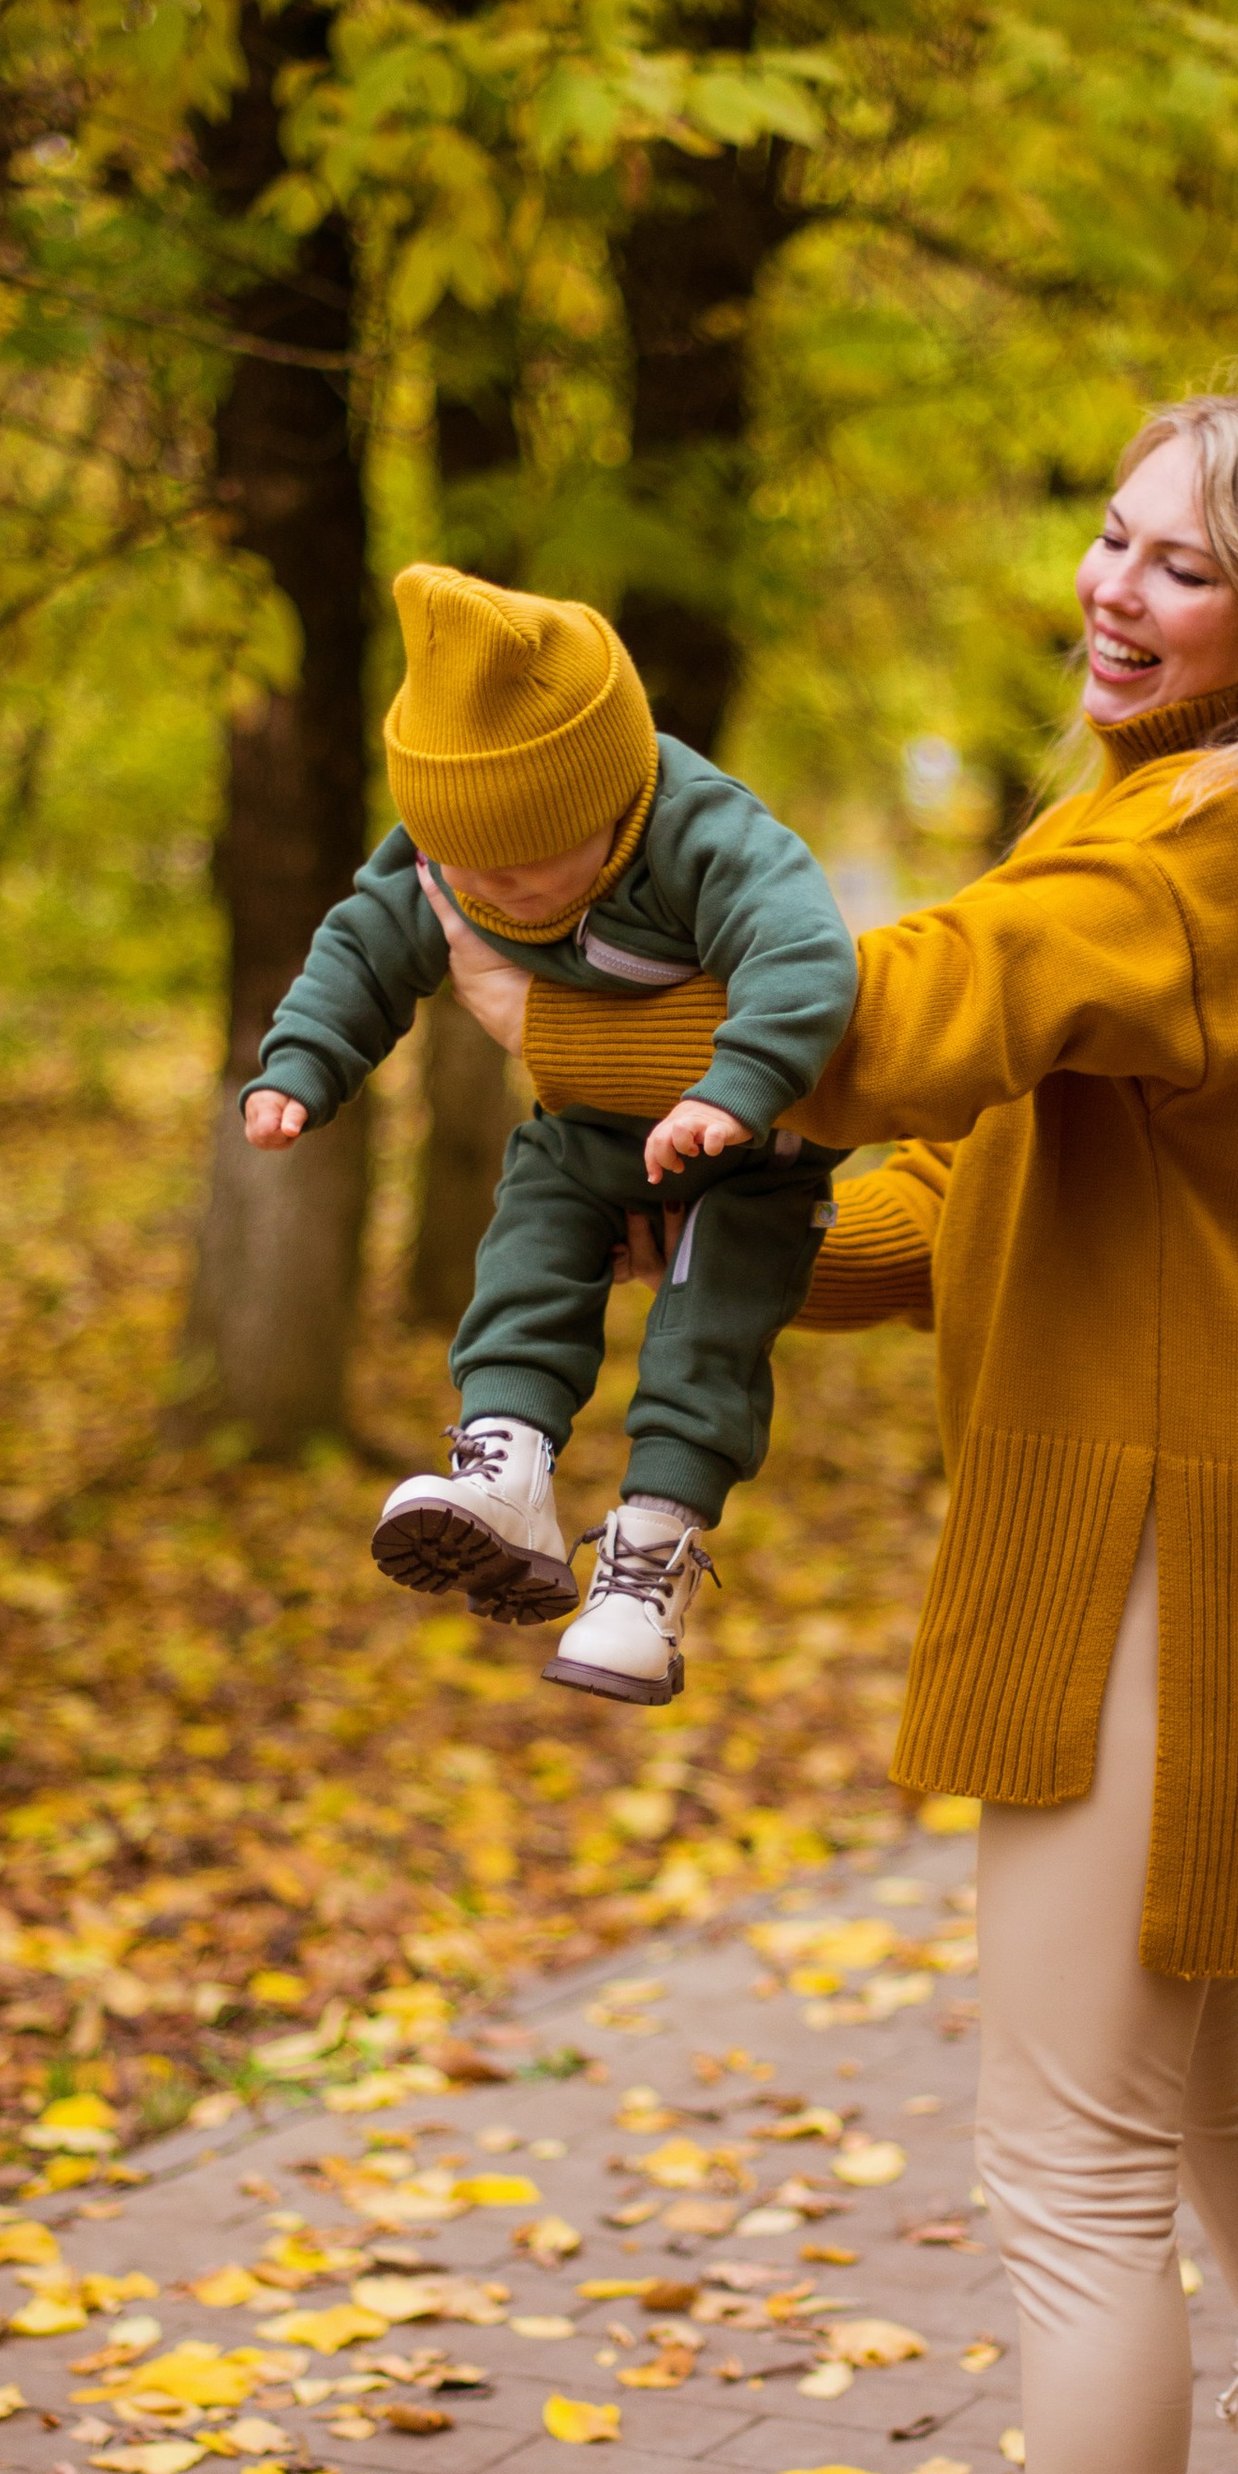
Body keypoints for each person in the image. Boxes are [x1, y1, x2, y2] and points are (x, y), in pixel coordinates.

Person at [423, 383, 1238, 2474]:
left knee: (1068, 2168)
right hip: (1235, 1527)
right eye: (1109, 537)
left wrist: (547, 1015)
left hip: (1164, 1546)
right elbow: (959, 1182)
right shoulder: (1222, 831)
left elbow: (889, 1016)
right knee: (1201, 2076)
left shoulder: (1196, 839)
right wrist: (720, 1221)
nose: (1115, 589)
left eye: (1185, 564)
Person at [243, 563, 854, 1705]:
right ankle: (507, 1461)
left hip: (753, 1147)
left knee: (708, 1327)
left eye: (525, 858)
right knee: (531, 1215)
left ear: (607, 797)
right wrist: (301, 1065)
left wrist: (737, 1087)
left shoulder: (698, 826)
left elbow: (806, 949)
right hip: (599, 1133)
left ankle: (651, 1560)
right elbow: (364, 943)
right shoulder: (450, 859)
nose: (491, 885)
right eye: (464, 862)